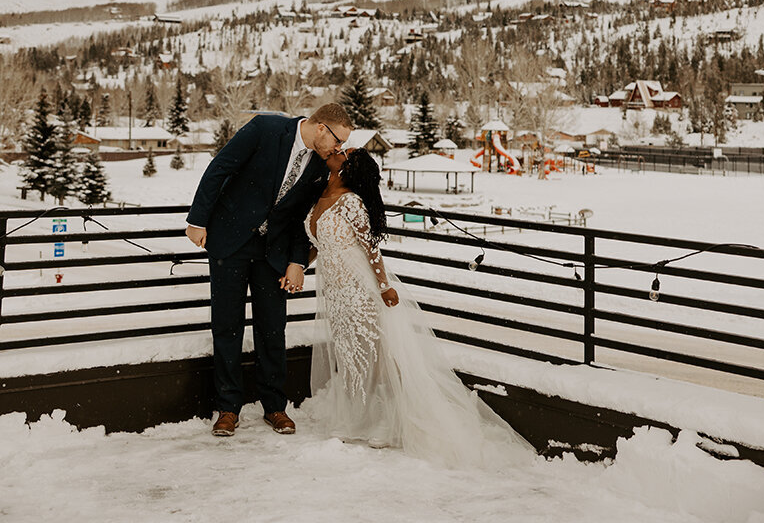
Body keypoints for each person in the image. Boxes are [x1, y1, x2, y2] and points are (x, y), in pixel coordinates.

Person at [305, 147, 532, 467]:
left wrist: (384, 286)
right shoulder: (319, 192)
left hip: (359, 288)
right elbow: (319, 243)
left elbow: (370, 247)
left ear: (347, 167)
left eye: (345, 152)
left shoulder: (352, 202)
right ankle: (360, 416)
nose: (338, 150)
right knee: (349, 353)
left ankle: (389, 417)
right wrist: (295, 266)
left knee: (375, 353)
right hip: (334, 292)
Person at [185, 103, 354, 438]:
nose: (339, 149)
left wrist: (296, 261)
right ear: (320, 127)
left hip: (273, 254)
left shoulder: (321, 165)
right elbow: (219, 168)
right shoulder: (265, 129)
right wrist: (197, 220)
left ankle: (274, 406)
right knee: (227, 326)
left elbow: (300, 216)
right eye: (337, 140)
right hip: (229, 241)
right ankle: (228, 409)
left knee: (273, 330)